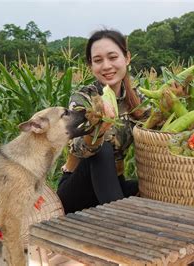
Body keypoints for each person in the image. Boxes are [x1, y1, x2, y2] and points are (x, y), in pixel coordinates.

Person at [57, 29, 146, 214]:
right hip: (77, 189)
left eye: (113, 57)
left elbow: (159, 132)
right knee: (102, 148)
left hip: (113, 184)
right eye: (98, 60)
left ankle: (119, 211)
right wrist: (97, 132)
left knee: (150, 188)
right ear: (90, 65)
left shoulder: (137, 99)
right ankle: (120, 222)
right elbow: (80, 148)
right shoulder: (84, 98)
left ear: (127, 58)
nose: (106, 66)